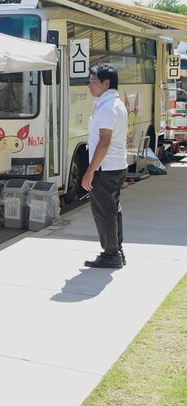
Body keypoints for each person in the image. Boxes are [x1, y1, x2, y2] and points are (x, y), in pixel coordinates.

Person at [81, 63, 128, 268]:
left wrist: (89, 172)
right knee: (113, 210)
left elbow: (104, 142)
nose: (89, 86)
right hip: (117, 166)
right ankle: (116, 251)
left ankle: (111, 255)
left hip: (105, 169)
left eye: (93, 82)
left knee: (104, 213)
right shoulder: (114, 103)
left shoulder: (107, 107)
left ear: (105, 83)